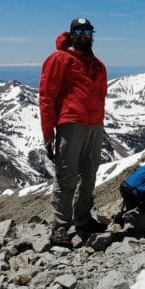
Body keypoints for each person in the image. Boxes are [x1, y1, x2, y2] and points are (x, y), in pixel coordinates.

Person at [39, 17, 108, 247]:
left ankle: (83, 219)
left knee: (90, 174)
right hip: (70, 123)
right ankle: (60, 227)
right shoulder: (59, 59)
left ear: (92, 35)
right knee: (67, 176)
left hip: (94, 125)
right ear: (71, 33)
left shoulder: (98, 66)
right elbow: (47, 96)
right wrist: (49, 133)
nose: (83, 35)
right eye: (78, 30)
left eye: (87, 31)